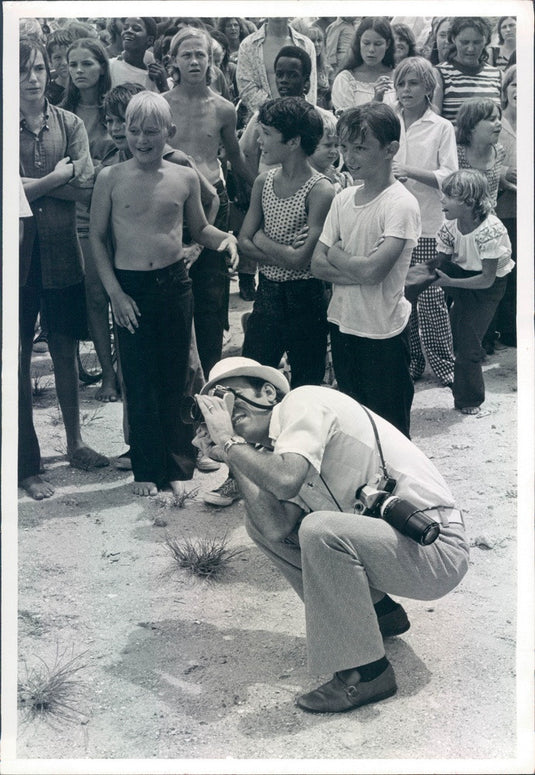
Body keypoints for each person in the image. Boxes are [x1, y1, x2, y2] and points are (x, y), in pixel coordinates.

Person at [195, 355, 469, 714]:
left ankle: (367, 673)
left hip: (435, 547)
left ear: (267, 391)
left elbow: (285, 478)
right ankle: (379, 614)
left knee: (320, 529)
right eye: (213, 405)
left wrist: (229, 442)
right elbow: (275, 528)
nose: (222, 410)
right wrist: (235, 456)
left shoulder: (302, 401)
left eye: (228, 396)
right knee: (261, 523)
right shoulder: (278, 448)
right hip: (399, 550)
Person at [89, 92, 238, 496]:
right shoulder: (111, 178)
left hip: (174, 286)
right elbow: (98, 240)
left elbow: (201, 228)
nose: (141, 139)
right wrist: (116, 295)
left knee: (176, 376)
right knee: (138, 379)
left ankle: (177, 466)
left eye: (151, 131)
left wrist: (225, 240)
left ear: (168, 133)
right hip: (131, 290)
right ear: (123, 131)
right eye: (134, 130)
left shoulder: (184, 176)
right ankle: (145, 469)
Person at [19, 38, 109, 501]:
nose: (32, 78)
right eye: (21, 71)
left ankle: (75, 442)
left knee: (65, 350)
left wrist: (28, 188)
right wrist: (56, 178)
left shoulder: (69, 122)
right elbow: (10, 192)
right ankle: (26, 464)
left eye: (37, 68)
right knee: (17, 357)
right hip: (16, 258)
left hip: (61, 250)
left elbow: (88, 187)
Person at [311, 103, 421, 439]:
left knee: (391, 430)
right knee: (356, 427)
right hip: (344, 323)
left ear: (390, 150)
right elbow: (317, 263)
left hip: (382, 331)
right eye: (344, 147)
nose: (350, 157)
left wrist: (340, 256)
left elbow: (375, 272)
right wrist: (356, 268)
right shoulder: (343, 199)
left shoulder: (400, 204)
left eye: (360, 147)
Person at [164, 26, 255, 377]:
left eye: (200, 54)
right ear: (173, 61)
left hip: (214, 202)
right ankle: (177, 374)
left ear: (211, 59)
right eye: (186, 54)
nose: (194, 61)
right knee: (172, 288)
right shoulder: (162, 104)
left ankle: (212, 374)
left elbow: (233, 155)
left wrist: (260, 184)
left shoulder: (223, 108)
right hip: (171, 204)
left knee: (212, 294)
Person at [239, 96, 334, 388]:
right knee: (253, 379)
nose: (259, 140)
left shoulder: (320, 190)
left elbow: (300, 260)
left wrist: (261, 239)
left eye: (267, 133)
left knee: (306, 386)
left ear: (293, 141)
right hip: (267, 294)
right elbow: (242, 241)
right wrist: (277, 248)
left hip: (306, 298)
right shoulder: (263, 182)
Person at [392, 56, 457, 387]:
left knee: (431, 302)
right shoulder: (389, 121)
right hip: (392, 225)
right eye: (401, 83)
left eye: (413, 83)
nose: (406, 90)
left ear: (428, 88)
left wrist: (409, 172)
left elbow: (451, 176)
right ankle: (413, 361)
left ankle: (446, 366)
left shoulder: (441, 127)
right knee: (402, 298)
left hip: (429, 225)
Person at [62, 37, 119, 402]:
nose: (80, 71)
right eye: (73, 65)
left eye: (87, 64)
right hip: (80, 217)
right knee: (96, 298)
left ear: (102, 67)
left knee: (124, 295)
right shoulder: (61, 114)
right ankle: (109, 376)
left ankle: (128, 369)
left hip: (120, 213)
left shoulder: (115, 108)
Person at [433, 169, 513, 414]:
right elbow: (440, 264)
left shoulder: (491, 230)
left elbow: (487, 280)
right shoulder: (449, 226)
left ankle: (469, 399)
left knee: (467, 343)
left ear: (468, 202)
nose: (441, 199)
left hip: (489, 286)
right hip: (463, 274)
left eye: (448, 196)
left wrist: (448, 284)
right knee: (461, 336)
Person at [236, 17, 317, 112]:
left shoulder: (306, 44)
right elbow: (246, 88)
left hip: (300, 116)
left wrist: (302, 113)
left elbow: (311, 87)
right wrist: (275, 112)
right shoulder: (248, 45)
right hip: (263, 118)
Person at [433, 17, 502, 124]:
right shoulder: (440, 74)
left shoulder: (498, 75)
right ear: (453, 39)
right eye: (464, 42)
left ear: (486, 41)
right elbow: (434, 124)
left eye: (477, 42)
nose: (471, 48)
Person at [491, 66, 517, 348]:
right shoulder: (499, 124)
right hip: (505, 206)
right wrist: (504, 173)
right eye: (514, 84)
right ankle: (505, 329)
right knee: (508, 269)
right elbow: (488, 162)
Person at [331, 17, 397, 113]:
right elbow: (346, 122)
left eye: (378, 44)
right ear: (359, 42)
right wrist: (375, 101)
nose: (371, 49)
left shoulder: (398, 77)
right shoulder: (346, 80)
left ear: (387, 44)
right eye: (366, 43)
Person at [108, 17, 168, 93]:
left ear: (149, 40)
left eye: (136, 29)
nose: (128, 31)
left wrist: (164, 87)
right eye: (125, 28)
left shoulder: (155, 76)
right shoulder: (110, 67)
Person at [45, 28, 73, 104]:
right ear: (50, 60)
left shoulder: (84, 88)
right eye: (58, 57)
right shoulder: (47, 94)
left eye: (68, 56)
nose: (64, 62)